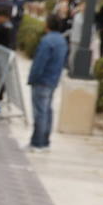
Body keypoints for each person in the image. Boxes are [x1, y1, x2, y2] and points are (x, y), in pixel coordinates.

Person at [27, 14, 70, 152]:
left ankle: (37, 142)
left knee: (40, 112)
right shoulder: (62, 41)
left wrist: (32, 78)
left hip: (42, 80)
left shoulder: (47, 41)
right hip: (52, 80)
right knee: (47, 111)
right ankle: (45, 141)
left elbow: (39, 63)